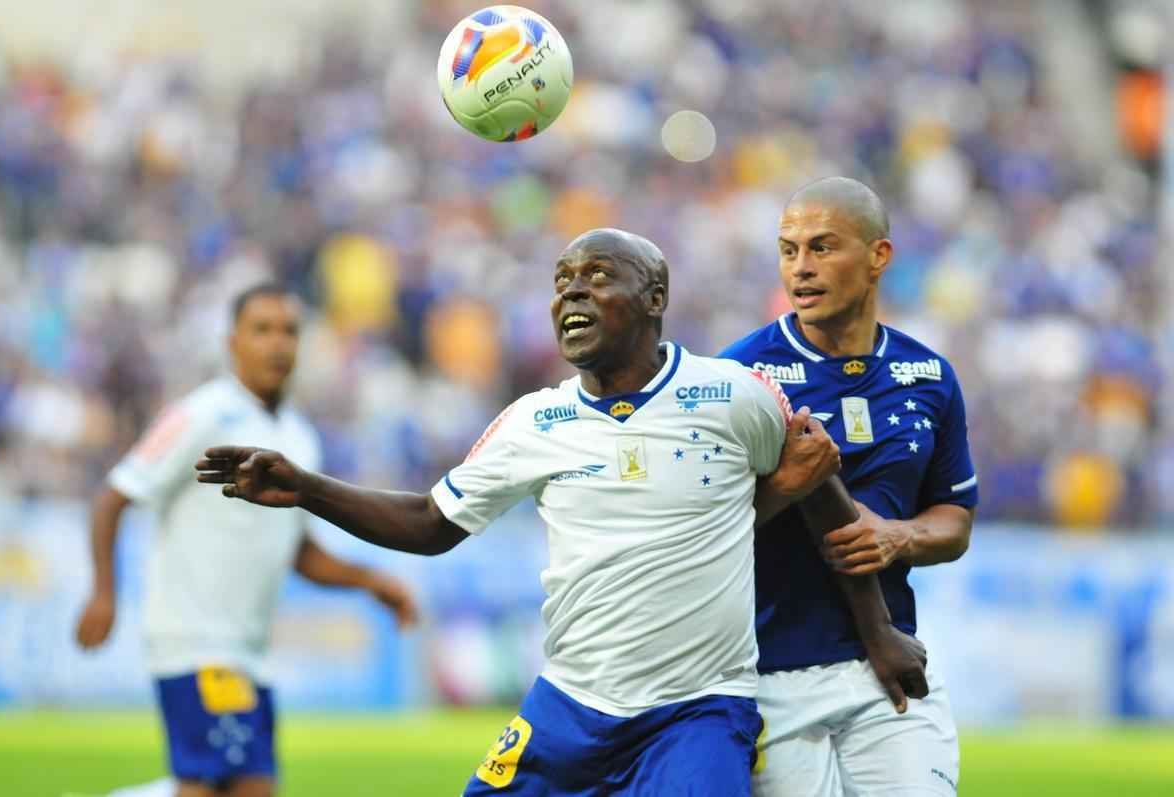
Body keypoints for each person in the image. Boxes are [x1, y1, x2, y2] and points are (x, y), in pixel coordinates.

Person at [195, 229, 853, 795]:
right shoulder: (534, 421)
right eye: (562, 281)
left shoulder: (732, 394)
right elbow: (430, 522)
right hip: (570, 706)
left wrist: (877, 633)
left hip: (695, 712)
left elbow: (818, 477)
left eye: (597, 277)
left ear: (655, 298)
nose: (571, 293)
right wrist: (308, 487)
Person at [74, 284, 420, 797]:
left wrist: (371, 581)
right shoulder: (204, 415)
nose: (277, 344)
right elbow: (115, 495)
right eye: (262, 330)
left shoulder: (300, 437)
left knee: (241, 789)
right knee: (233, 788)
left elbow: (300, 552)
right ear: (232, 342)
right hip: (195, 641)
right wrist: (104, 592)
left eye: (288, 331)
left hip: (248, 651)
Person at [719, 177, 978, 796]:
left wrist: (899, 536)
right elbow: (704, 527)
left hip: (889, 671)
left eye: (822, 248)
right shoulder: (741, 376)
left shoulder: (928, 375)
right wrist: (785, 488)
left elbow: (956, 518)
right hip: (769, 677)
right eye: (788, 250)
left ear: (878, 257)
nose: (800, 269)